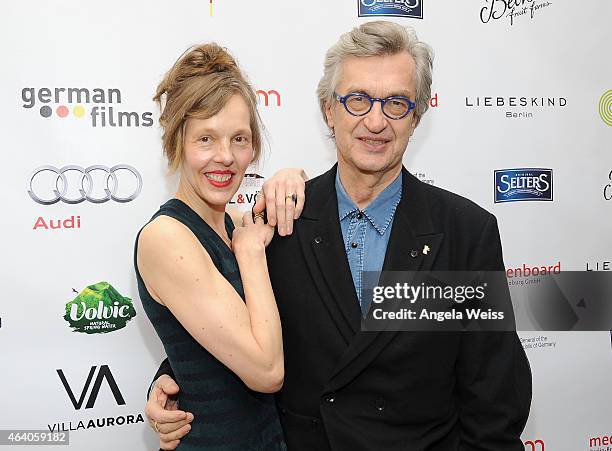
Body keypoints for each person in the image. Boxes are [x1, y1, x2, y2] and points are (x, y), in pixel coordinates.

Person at [146, 21, 532, 450]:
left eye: (396, 104)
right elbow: (232, 324)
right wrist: (170, 377)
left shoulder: (463, 233)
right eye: (357, 100)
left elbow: (494, 400)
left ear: (417, 116)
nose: (375, 121)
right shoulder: (277, 222)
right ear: (329, 110)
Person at [135, 42, 307, 450]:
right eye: (206, 139)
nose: (226, 157)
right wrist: (250, 255)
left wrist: (295, 177)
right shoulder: (166, 237)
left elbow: (200, 345)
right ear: (178, 142)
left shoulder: (230, 224)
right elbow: (266, 371)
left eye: (240, 139)